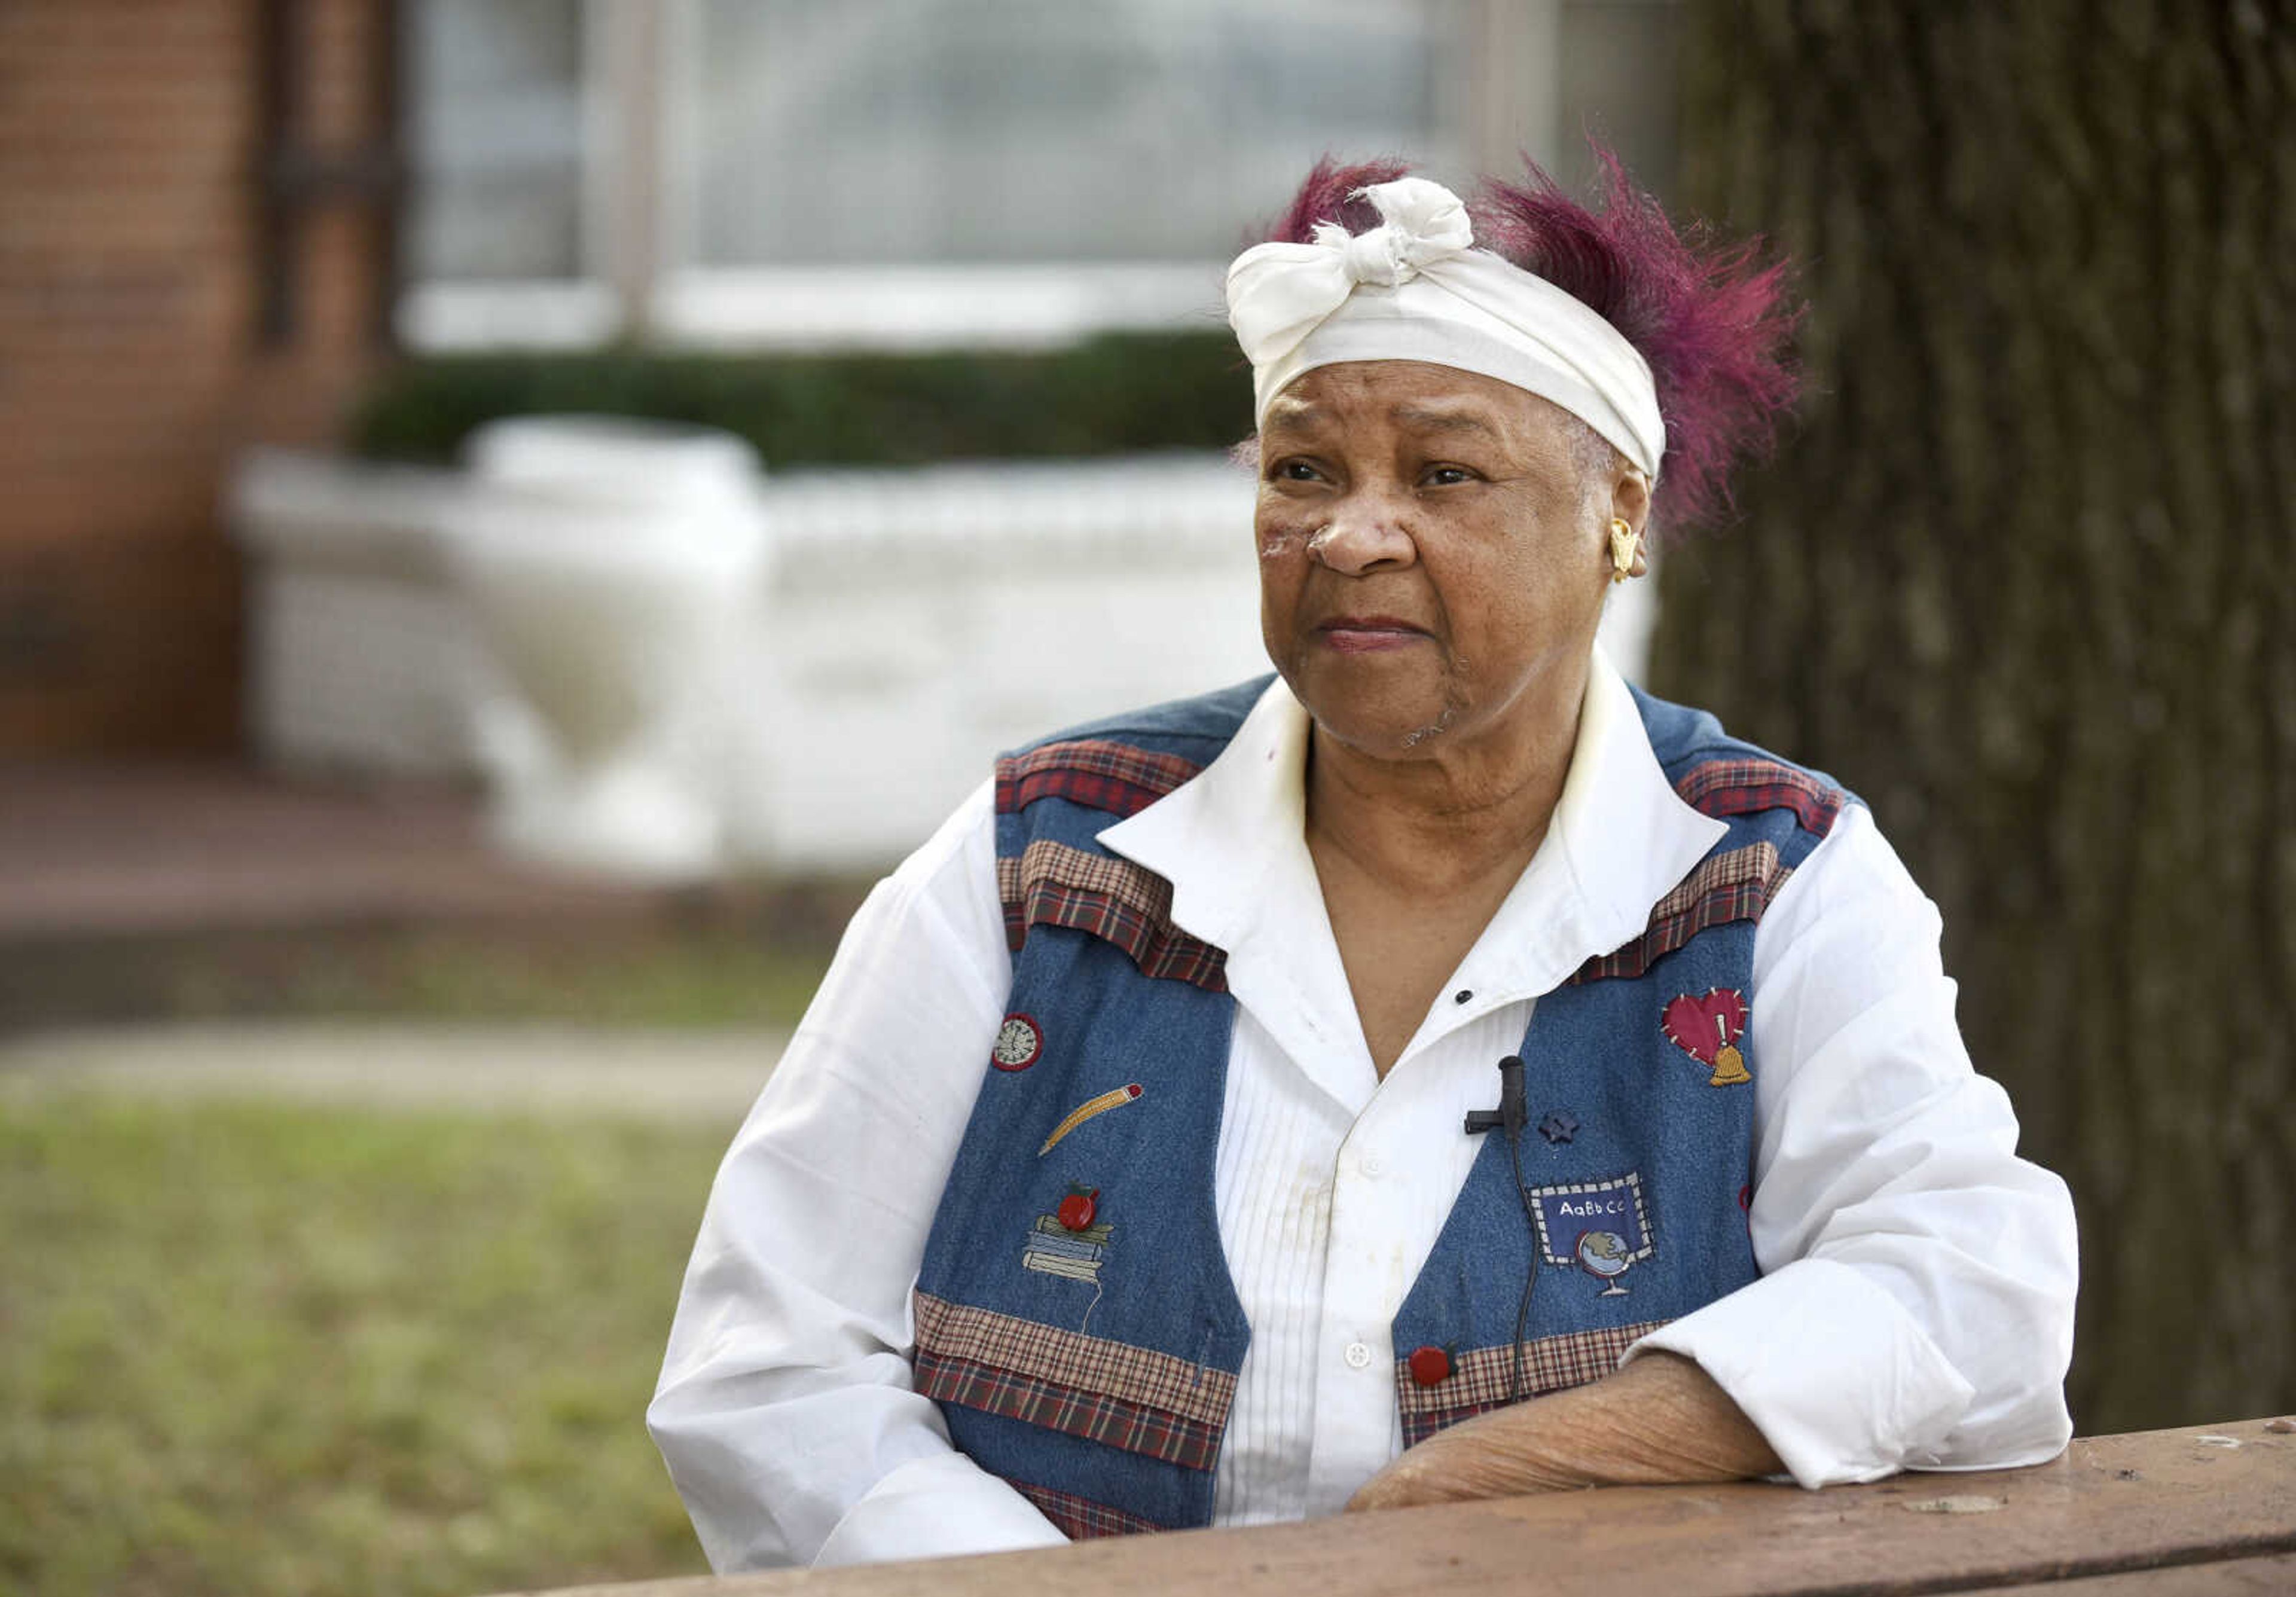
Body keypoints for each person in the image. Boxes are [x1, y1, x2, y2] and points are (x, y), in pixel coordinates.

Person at [647, 154, 2078, 1570]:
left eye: (1444, 472)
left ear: (1619, 516)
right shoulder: (1043, 853)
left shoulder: (1768, 874)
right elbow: (769, 1360)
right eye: (1301, 470)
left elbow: (1971, 1287)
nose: (1347, 533)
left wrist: (1502, 1475)